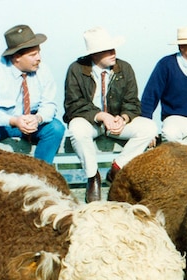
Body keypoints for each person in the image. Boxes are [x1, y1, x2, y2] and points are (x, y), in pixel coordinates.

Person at [64, 27, 157, 202]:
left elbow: (133, 102)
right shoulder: (76, 69)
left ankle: (117, 168)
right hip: (91, 122)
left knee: (149, 128)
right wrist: (101, 116)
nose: (113, 53)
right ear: (94, 54)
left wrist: (124, 118)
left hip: (117, 122)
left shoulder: (125, 68)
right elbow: (73, 105)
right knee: (76, 129)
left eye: (113, 48)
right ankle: (93, 178)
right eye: (107, 50)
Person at [0, 24, 65, 164]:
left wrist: (38, 118)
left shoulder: (44, 70)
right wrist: (14, 121)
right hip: (3, 125)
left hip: (32, 124)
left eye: (39, 52)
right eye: (33, 55)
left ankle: (40, 175)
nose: (39, 58)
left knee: (56, 128)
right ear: (16, 57)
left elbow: (49, 104)